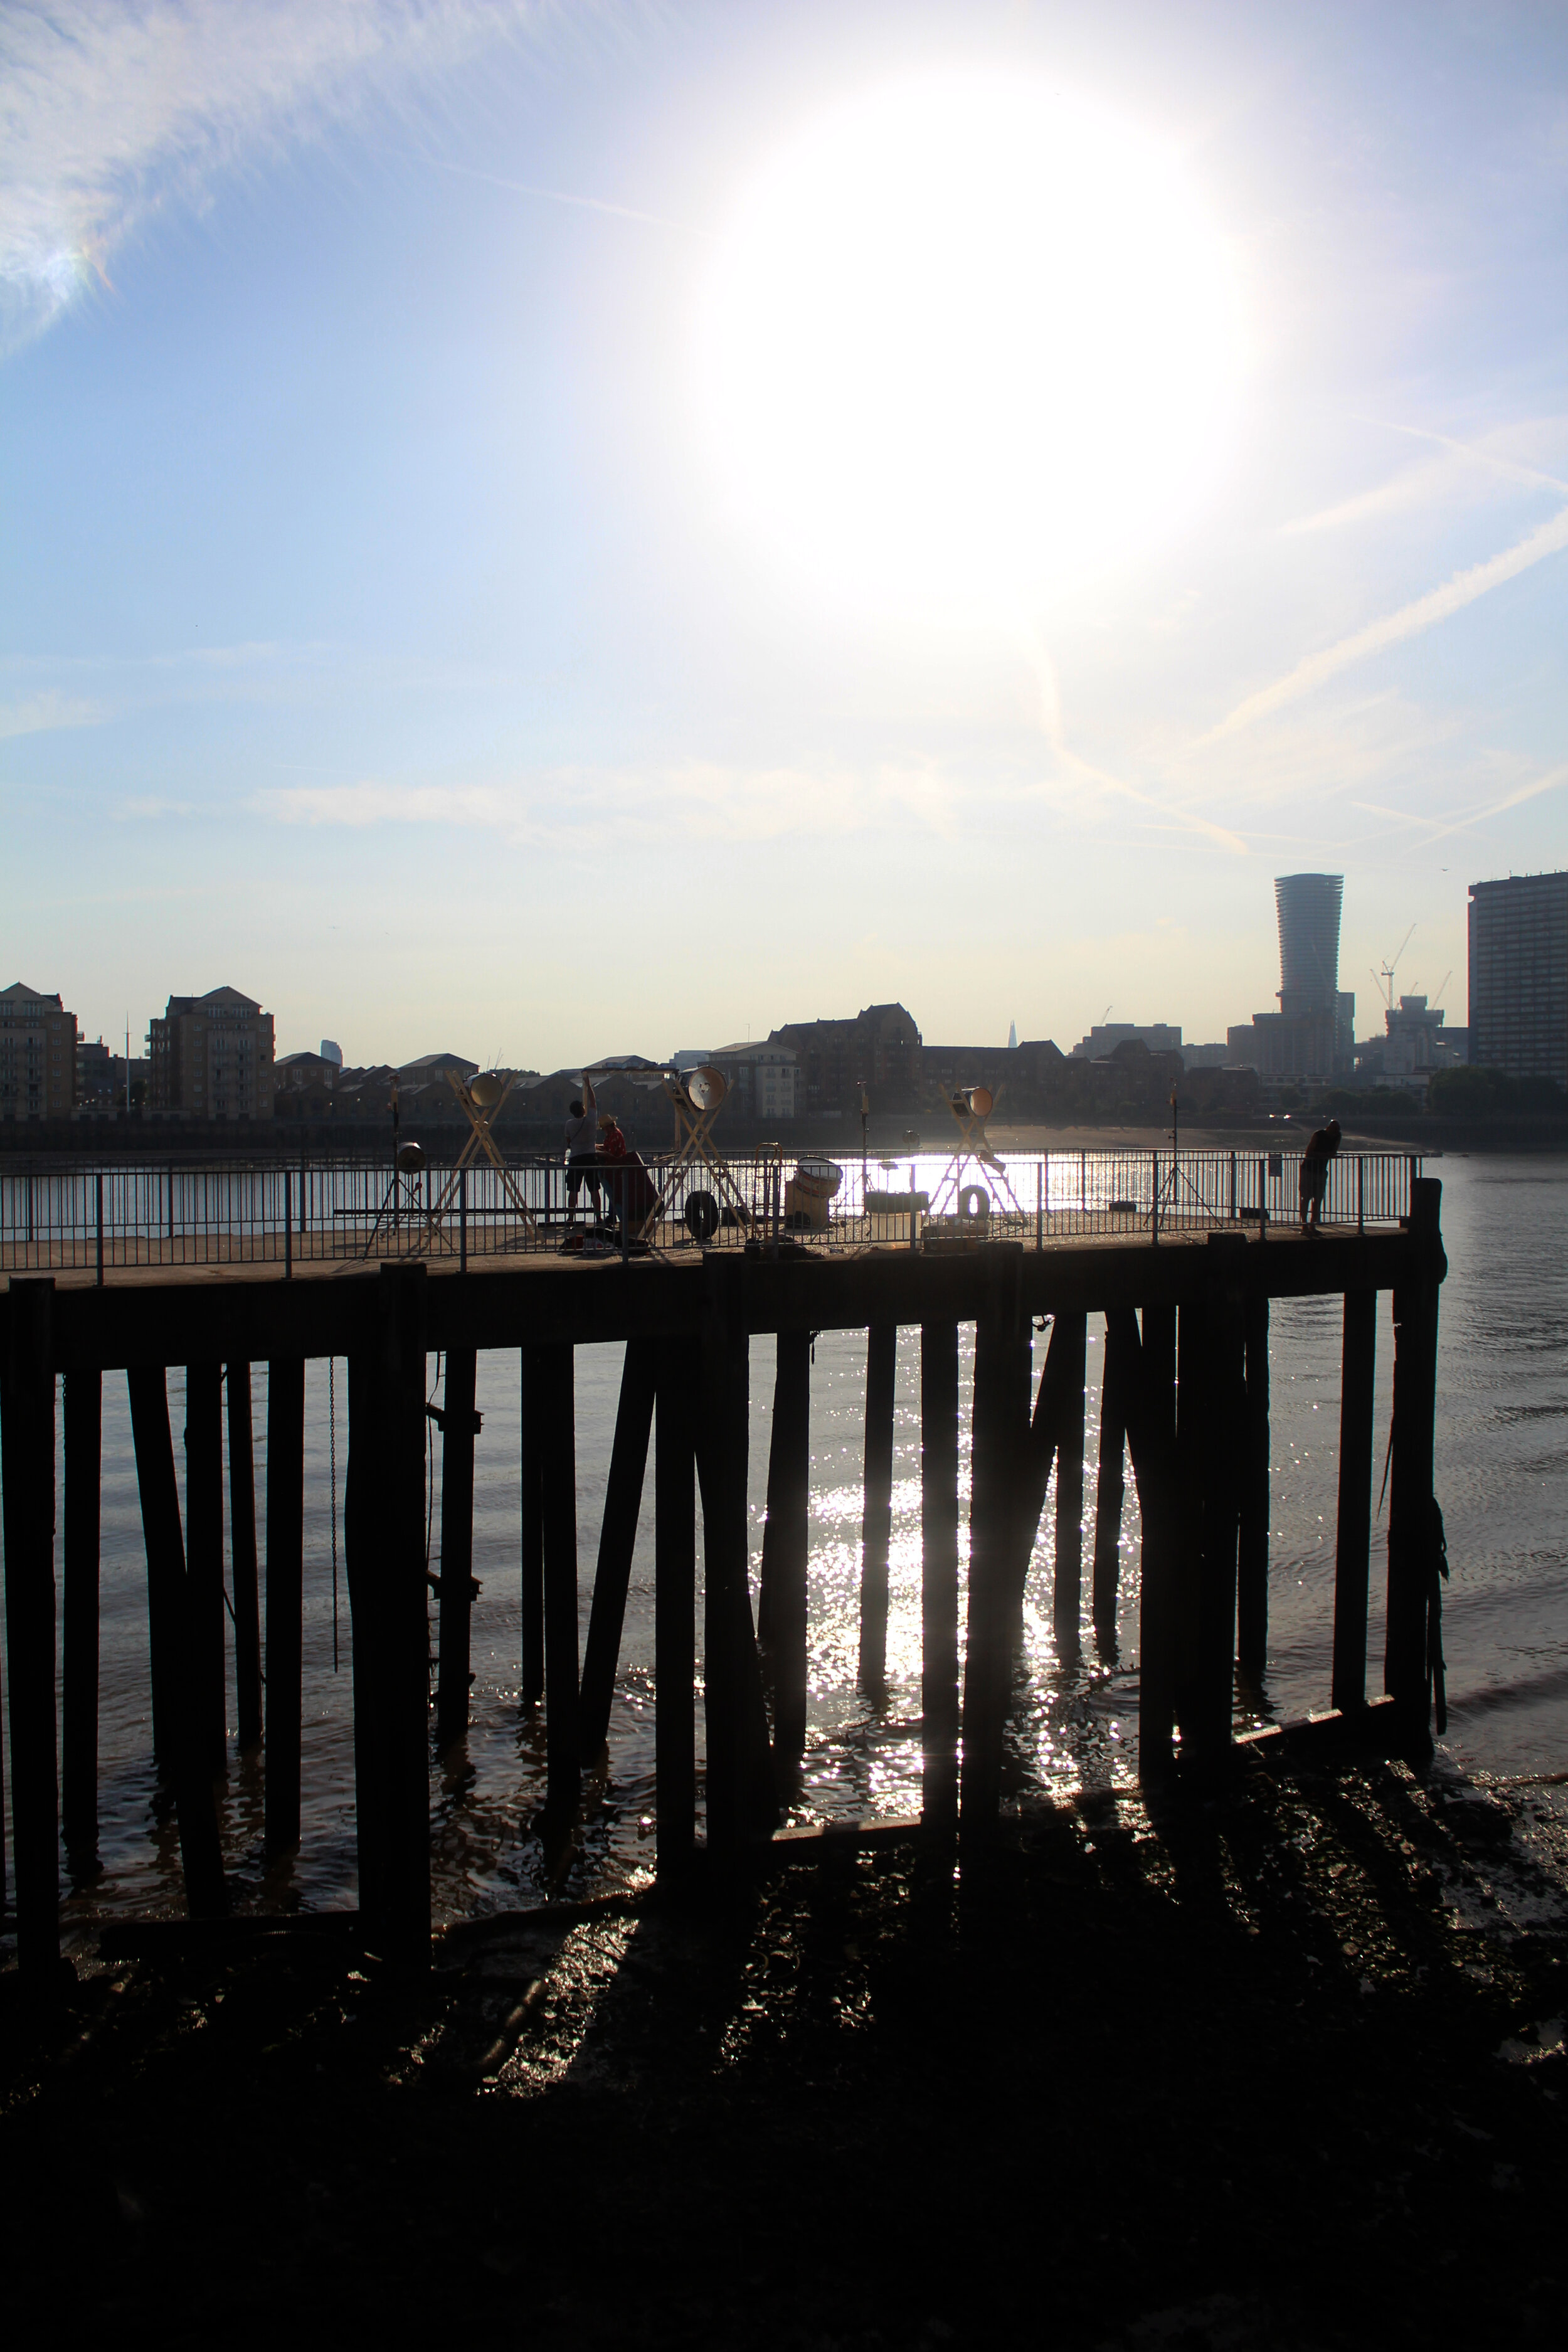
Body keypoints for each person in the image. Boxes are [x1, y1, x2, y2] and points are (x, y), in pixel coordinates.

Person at [564, 1072, 600, 1222]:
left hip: (576, 1158)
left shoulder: (569, 1124)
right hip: (590, 1157)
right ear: (583, 1110)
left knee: (573, 1190)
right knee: (594, 1190)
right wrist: (588, 1084)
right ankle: (598, 1217)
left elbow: (568, 1142)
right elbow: (593, 1102)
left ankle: (571, 1217)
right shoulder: (591, 1120)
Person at [1298, 1116, 1342, 1232]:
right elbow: (1309, 1152)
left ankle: (1312, 1225)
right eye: (1333, 1129)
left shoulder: (1338, 1136)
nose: (1335, 1132)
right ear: (1328, 1128)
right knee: (1306, 1197)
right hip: (1308, 1169)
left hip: (1321, 1171)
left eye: (1337, 1130)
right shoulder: (1318, 1134)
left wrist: (1326, 1154)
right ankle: (1304, 1225)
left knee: (1318, 1198)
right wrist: (1326, 1154)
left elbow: (1333, 1152)